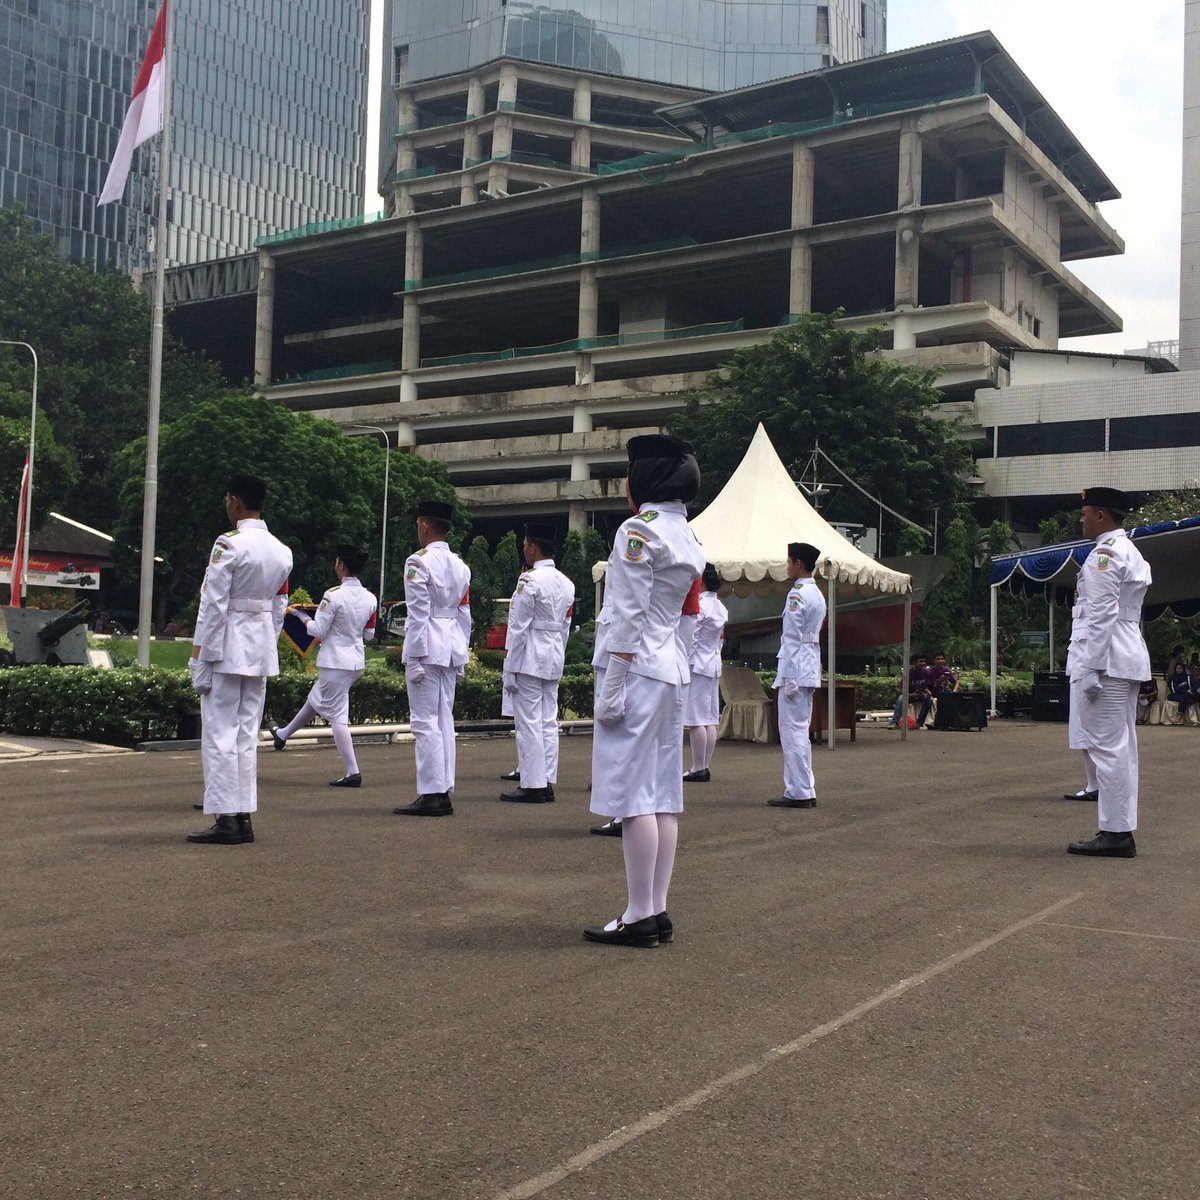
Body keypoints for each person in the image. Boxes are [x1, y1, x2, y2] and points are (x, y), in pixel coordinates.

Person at [584, 434, 705, 948]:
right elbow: (681, 616)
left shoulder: (638, 530)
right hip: (671, 670)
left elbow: (628, 619)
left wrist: (611, 688)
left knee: (634, 798)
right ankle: (656, 909)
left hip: (637, 671)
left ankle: (637, 914)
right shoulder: (687, 534)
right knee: (663, 797)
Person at [187, 474, 293, 846]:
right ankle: (242, 815)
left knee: (219, 734)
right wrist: (268, 643)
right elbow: (280, 607)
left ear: (235, 501)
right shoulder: (282, 550)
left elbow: (213, 606)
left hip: (227, 648)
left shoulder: (228, 544)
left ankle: (226, 818)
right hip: (260, 648)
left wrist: (200, 657)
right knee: (247, 735)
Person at [1065, 486, 1151, 858]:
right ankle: (1119, 829)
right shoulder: (1128, 550)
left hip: (1106, 661)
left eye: (1085, 513)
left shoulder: (1104, 555)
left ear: (1101, 515)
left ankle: (1115, 833)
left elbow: (1100, 617)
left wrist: (1091, 669)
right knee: (1120, 749)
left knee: (1109, 750)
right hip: (1124, 657)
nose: (1081, 519)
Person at [270, 544, 378, 786]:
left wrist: (301, 616)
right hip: (354, 661)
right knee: (316, 700)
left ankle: (353, 772)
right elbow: (369, 635)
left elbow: (318, 630)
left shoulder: (333, 595)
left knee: (338, 716)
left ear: (340, 565)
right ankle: (283, 735)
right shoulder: (371, 598)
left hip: (335, 661)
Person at [393, 500, 471, 817]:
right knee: (444, 720)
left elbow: (417, 615)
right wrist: (462, 653)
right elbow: (465, 615)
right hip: (450, 646)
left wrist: (412, 657)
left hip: (427, 648)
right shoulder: (461, 565)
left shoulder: (418, 562)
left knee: (425, 722)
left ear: (424, 525)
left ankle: (431, 792)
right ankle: (443, 788)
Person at [499, 523, 575, 803]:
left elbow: (518, 629)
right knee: (547, 721)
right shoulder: (567, 583)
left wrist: (510, 667)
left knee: (528, 721)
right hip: (553, 655)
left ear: (532, 547)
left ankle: (532, 784)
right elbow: (566, 626)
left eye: (524, 545)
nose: (524, 550)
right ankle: (546, 779)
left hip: (530, 656)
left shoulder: (528, 581)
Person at [768, 542, 827, 809]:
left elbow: (791, 638)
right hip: (809, 664)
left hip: (796, 667)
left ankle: (799, 790)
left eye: (789, 561)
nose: (787, 565)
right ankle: (804, 787)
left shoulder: (797, 595)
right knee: (800, 729)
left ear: (799, 564)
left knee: (792, 731)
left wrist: (789, 676)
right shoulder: (817, 594)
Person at [682, 563, 729, 783]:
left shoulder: (701, 606)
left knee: (695, 719)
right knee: (709, 718)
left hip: (697, 664)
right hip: (713, 663)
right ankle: (704, 765)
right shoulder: (719, 606)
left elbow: (692, 637)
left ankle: (697, 767)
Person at [889, 653, 932, 729]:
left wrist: (928, 692)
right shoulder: (908, 673)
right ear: (914, 663)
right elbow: (901, 689)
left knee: (928, 699)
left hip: (920, 694)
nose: (923, 663)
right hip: (909, 694)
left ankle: (919, 723)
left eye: (924, 661)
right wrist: (910, 695)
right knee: (901, 699)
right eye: (920, 661)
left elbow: (925, 686)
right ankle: (894, 722)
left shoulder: (926, 672)